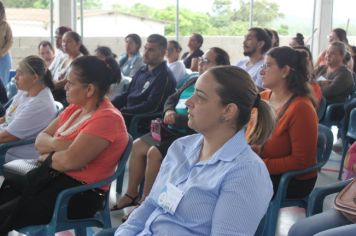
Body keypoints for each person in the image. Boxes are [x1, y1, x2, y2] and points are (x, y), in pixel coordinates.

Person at [115, 65, 275, 235]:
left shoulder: (245, 172)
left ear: (228, 111)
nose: (188, 102)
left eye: (200, 97)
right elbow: (150, 205)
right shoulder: (181, 148)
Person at [0, 56, 128, 234]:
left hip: (77, 195)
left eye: (70, 83)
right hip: (51, 179)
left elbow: (68, 162)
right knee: (6, 195)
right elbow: (40, 139)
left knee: (4, 215)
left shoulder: (107, 118)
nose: (65, 86)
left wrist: (48, 153)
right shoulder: (75, 108)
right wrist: (61, 144)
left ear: (89, 89)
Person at [112, 47, 231, 215]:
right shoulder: (193, 80)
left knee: (154, 153)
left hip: (189, 134)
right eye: (201, 60)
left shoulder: (219, 89)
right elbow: (172, 98)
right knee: (138, 146)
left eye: (207, 61)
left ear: (221, 65)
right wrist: (169, 111)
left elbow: (209, 119)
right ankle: (132, 194)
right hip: (170, 129)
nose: (201, 63)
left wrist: (179, 118)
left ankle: (146, 202)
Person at [256, 46, 318, 198]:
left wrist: (261, 165)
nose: (261, 71)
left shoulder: (301, 108)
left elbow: (302, 161)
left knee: (234, 185)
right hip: (262, 167)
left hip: (291, 179)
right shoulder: (262, 98)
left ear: (285, 71)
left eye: (267, 65)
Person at [112, 34, 176, 128]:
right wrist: (110, 104)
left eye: (151, 50)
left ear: (162, 53)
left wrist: (123, 111)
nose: (145, 53)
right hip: (127, 113)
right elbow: (127, 94)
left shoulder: (164, 76)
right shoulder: (142, 70)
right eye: (145, 48)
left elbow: (151, 107)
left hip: (139, 121)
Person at [0, 55, 57, 162]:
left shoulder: (39, 105)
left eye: (20, 74)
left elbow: (6, 137)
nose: (15, 77)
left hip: (14, 153)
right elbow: (6, 118)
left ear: (35, 78)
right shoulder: (25, 91)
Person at [52, 31, 89, 105]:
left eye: (69, 42)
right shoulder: (64, 58)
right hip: (56, 91)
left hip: (68, 96)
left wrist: (51, 84)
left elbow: (68, 82)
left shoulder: (81, 60)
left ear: (78, 44)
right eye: (63, 41)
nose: (65, 44)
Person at [0, 1, 13, 85]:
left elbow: (10, 41)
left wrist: (1, 53)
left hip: (3, 58)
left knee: (2, 84)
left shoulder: (5, 25)